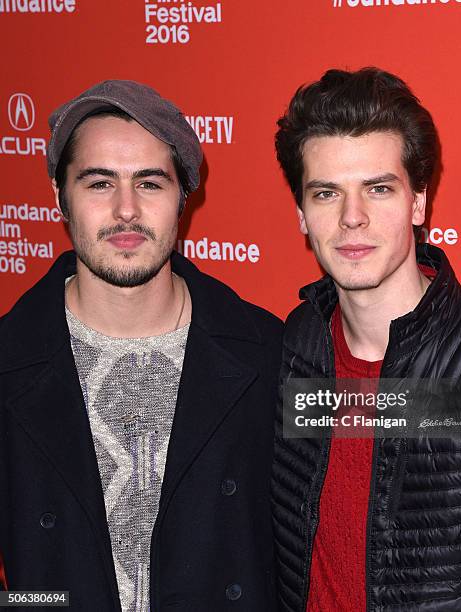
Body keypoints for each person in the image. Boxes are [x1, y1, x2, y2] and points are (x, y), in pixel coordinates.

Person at [0, 80, 282, 611]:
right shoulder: (8, 360)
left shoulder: (267, 353)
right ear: (60, 197)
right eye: (99, 183)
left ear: (183, 198)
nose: (126, 210)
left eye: (150, 183)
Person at [271, 67, 461, 611]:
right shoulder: (295, 346)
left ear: (418, 203)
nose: (352, 218)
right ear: (301, 215)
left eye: (378, 188)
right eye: (326, 194)